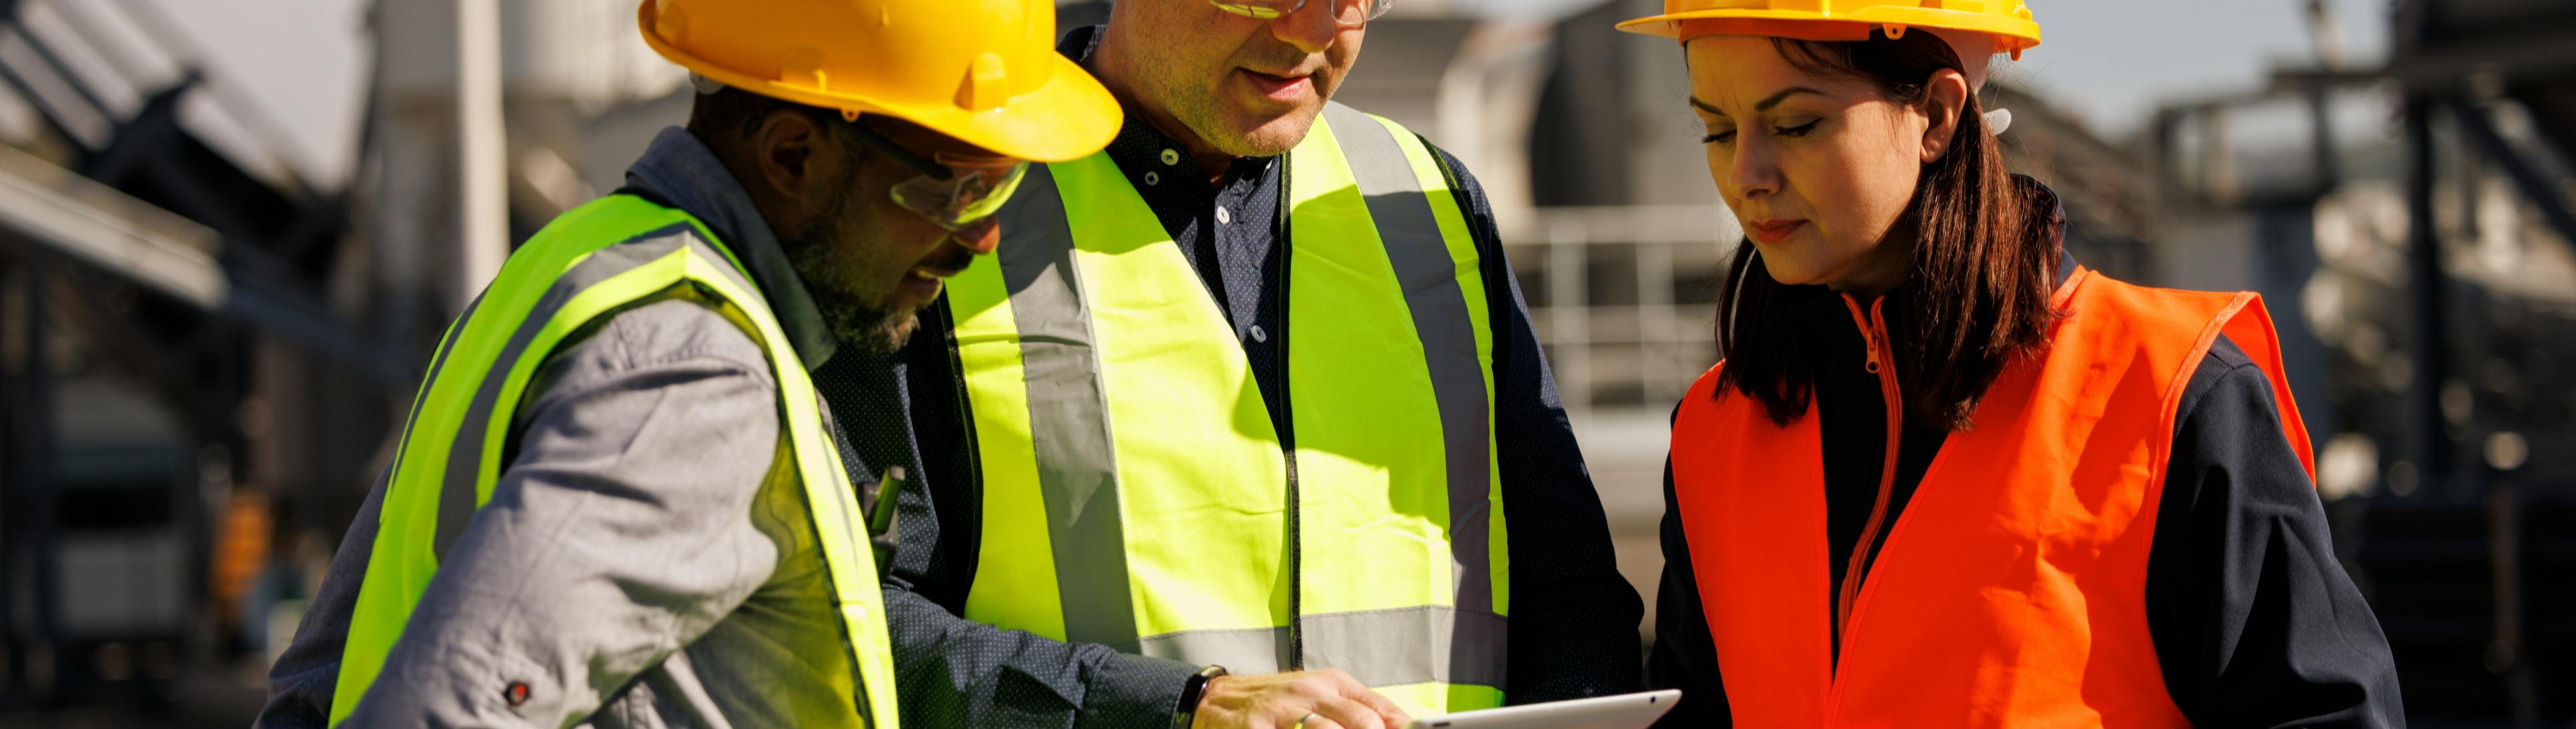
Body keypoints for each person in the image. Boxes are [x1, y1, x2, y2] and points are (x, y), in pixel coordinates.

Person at [253, 0, 1119, 725]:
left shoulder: (573, 264)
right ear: (791, 156)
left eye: (1005, 186)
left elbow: (314, 692)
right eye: (960, 187)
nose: (984, 235)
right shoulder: (695, 379)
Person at [809, 0, 1645, 726]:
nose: (1313, 31)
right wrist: (1170, 710)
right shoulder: (940, 208)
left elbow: (1568, 593)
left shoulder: (1430, 201)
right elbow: (848, 626)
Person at [1616, 1, 2406, 726]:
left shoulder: (2167, 391)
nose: (1745, 174)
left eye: (1793, 126)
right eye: (1716, 130)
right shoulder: (1716, 435)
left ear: (1935, 113)